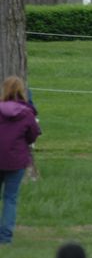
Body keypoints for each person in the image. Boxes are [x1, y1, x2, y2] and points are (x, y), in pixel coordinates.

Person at [0, 76, 41, 244]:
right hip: (17, 160)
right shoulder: (27, 113)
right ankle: (5, 237)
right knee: (10, 198)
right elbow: (33, 135)